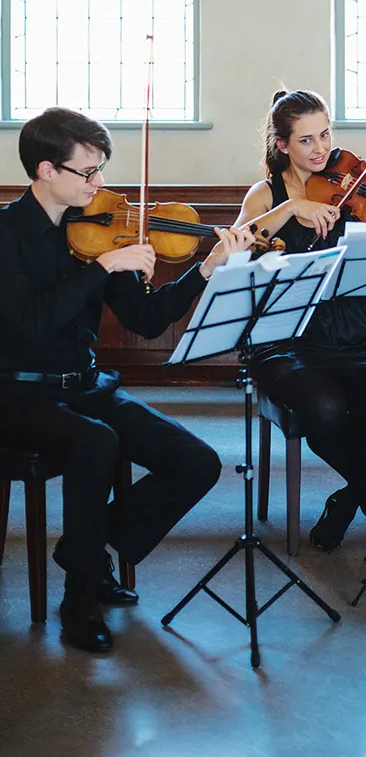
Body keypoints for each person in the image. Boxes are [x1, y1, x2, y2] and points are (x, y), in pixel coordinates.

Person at [0, 107, 254, 654]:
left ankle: (83, 550)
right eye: (87, 173)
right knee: (97, 441)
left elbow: (147, 319)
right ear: (46, 171)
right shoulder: (7, 233)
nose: (100, 184)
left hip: (86, 384)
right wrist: (102, 269)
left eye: (101, 171)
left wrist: (204, 269)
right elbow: (32, 323)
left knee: (197, 462)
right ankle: (79, 597)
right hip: (19, 391)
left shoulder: (100, 233)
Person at [236, 90, 366, 554]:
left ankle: (349, 497)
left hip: (359, 330)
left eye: (326, 134)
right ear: (282, 146)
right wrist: (291, 210)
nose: (320, 148)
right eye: (307, 139)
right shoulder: (265, 197)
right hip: (289, 338)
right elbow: (238, 253)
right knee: (325, 408)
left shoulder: (353, 191)